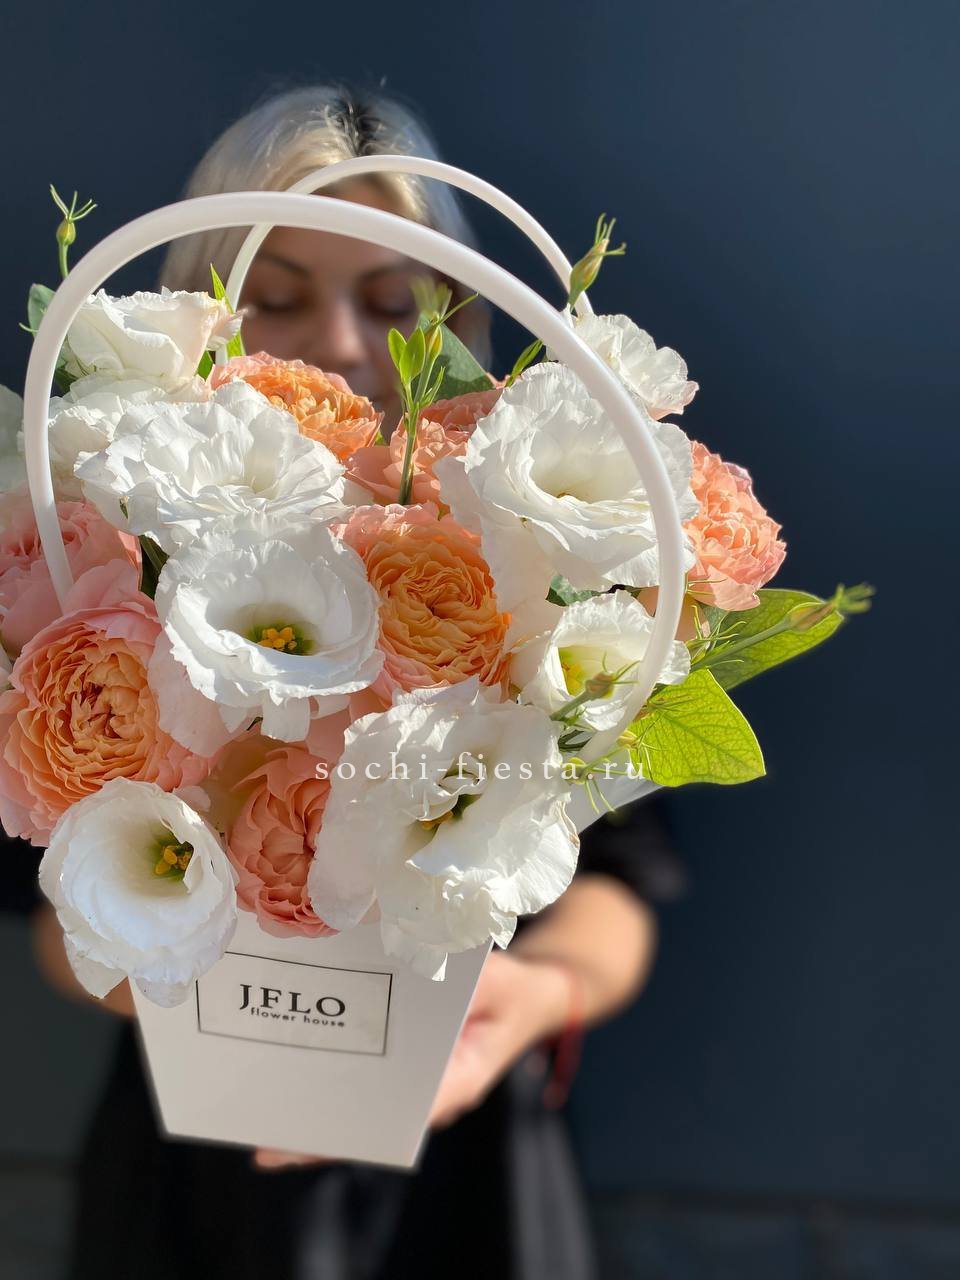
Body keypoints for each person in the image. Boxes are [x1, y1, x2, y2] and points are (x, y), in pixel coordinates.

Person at [30, 84, 688, 1280]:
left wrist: (525, 1001)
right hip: (195, 1170)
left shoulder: (529, 567)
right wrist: (222, 997)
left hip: (468, 1165)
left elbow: (622, 887)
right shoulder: (111, 556)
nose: (339, 341)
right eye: (280, 297)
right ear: (201, 307)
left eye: (391, 303)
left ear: (453, 315)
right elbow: (48, 919)